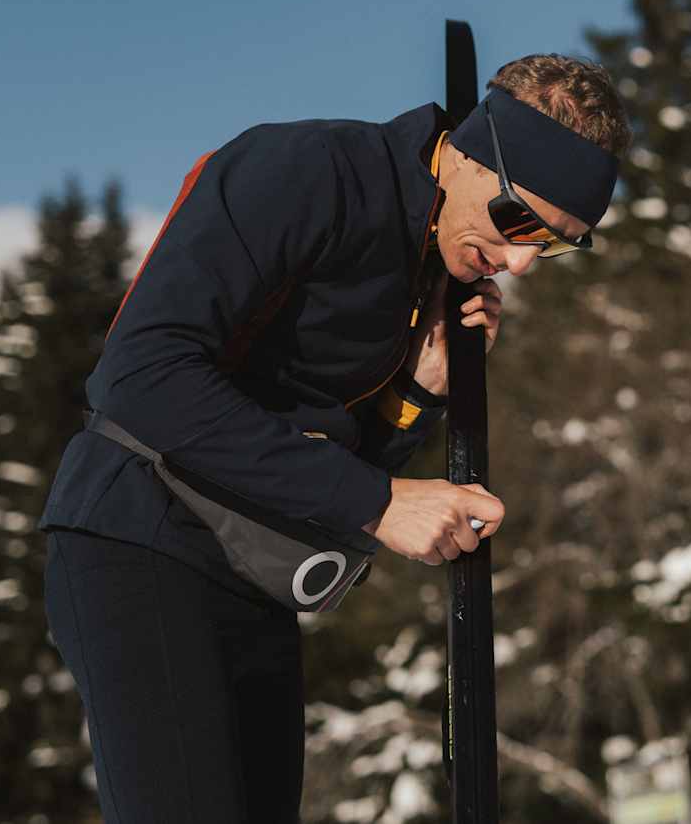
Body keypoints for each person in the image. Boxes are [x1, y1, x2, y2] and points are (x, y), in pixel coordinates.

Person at [38, 54, 632, 823]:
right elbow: (140, 377)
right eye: (519, 221)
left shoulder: (435, 266)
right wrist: (379, 501)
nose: (519, 261)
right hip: (139, 539)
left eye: (552, 244)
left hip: (252, 570)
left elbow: (317, 472)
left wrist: (419, 394)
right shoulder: (307, 171)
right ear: (472, 150)